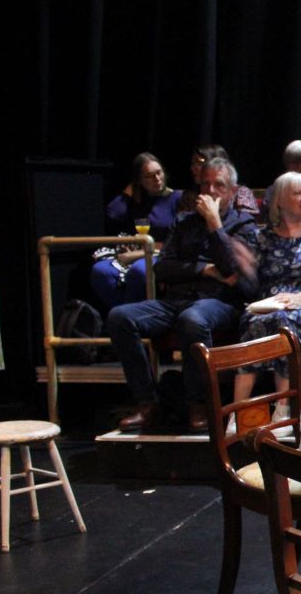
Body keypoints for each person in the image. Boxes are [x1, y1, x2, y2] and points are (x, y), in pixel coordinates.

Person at [105, 157, 260, 432]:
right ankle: (147, 403)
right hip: (176, 300)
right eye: (205, 184)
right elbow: (162, 267)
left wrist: (215, 225)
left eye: (219, 185)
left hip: (219, 302)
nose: (210, 191)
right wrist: (205, 269)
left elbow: (232, 271)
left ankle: (198, 404)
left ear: (233, 191)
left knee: (193, 319)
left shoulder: (243, 225)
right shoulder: (184, 222)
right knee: (120, 317)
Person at [233, 172, 301, 406]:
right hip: (267, 305)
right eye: (298, 193)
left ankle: (284, 408)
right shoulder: (261, 237)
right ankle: (237, 411)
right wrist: (246, 268)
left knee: (284, 323)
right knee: (255, 322)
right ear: (279, 200)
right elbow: (250, 285)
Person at [90, 152, 183, 310]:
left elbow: (177, 241)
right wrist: (130, 190)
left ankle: (127, 318)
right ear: (139, 180)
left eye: (159, 173)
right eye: (149, 176)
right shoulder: (139, 200)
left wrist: (139, 253)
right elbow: (113, 212)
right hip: (137, 252)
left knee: (139, 271)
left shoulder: (177, 198)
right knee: (101, 271)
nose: (157, 179)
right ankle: (123, 314)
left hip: (161, 253)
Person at [178, 144, 262, 219]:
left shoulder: (241, 193)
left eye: (200, 162)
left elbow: (247, 224)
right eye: (193, 163)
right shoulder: (189, 195)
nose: (193, 168)